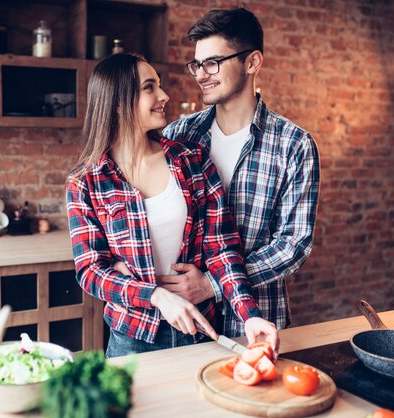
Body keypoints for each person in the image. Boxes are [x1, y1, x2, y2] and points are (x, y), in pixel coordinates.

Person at [66, 52, 278, 358]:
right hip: (133, 337)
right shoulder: (86, 181)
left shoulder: (191, 160)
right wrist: (155, 296)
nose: (164, 95)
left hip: (200, 329)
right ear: (117, 101)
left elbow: (222, 248)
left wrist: (249, 313)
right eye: (149, 87)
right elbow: (90, 271)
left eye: (159, 85)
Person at [161, 8, 321, 337]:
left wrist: (213, 284)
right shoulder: (179, 135)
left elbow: (293, 246)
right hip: (183, 325)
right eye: (197, 64)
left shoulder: (293, 144)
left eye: (213, 63)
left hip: (255, 321)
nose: (200, 75)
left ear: (252, 62)